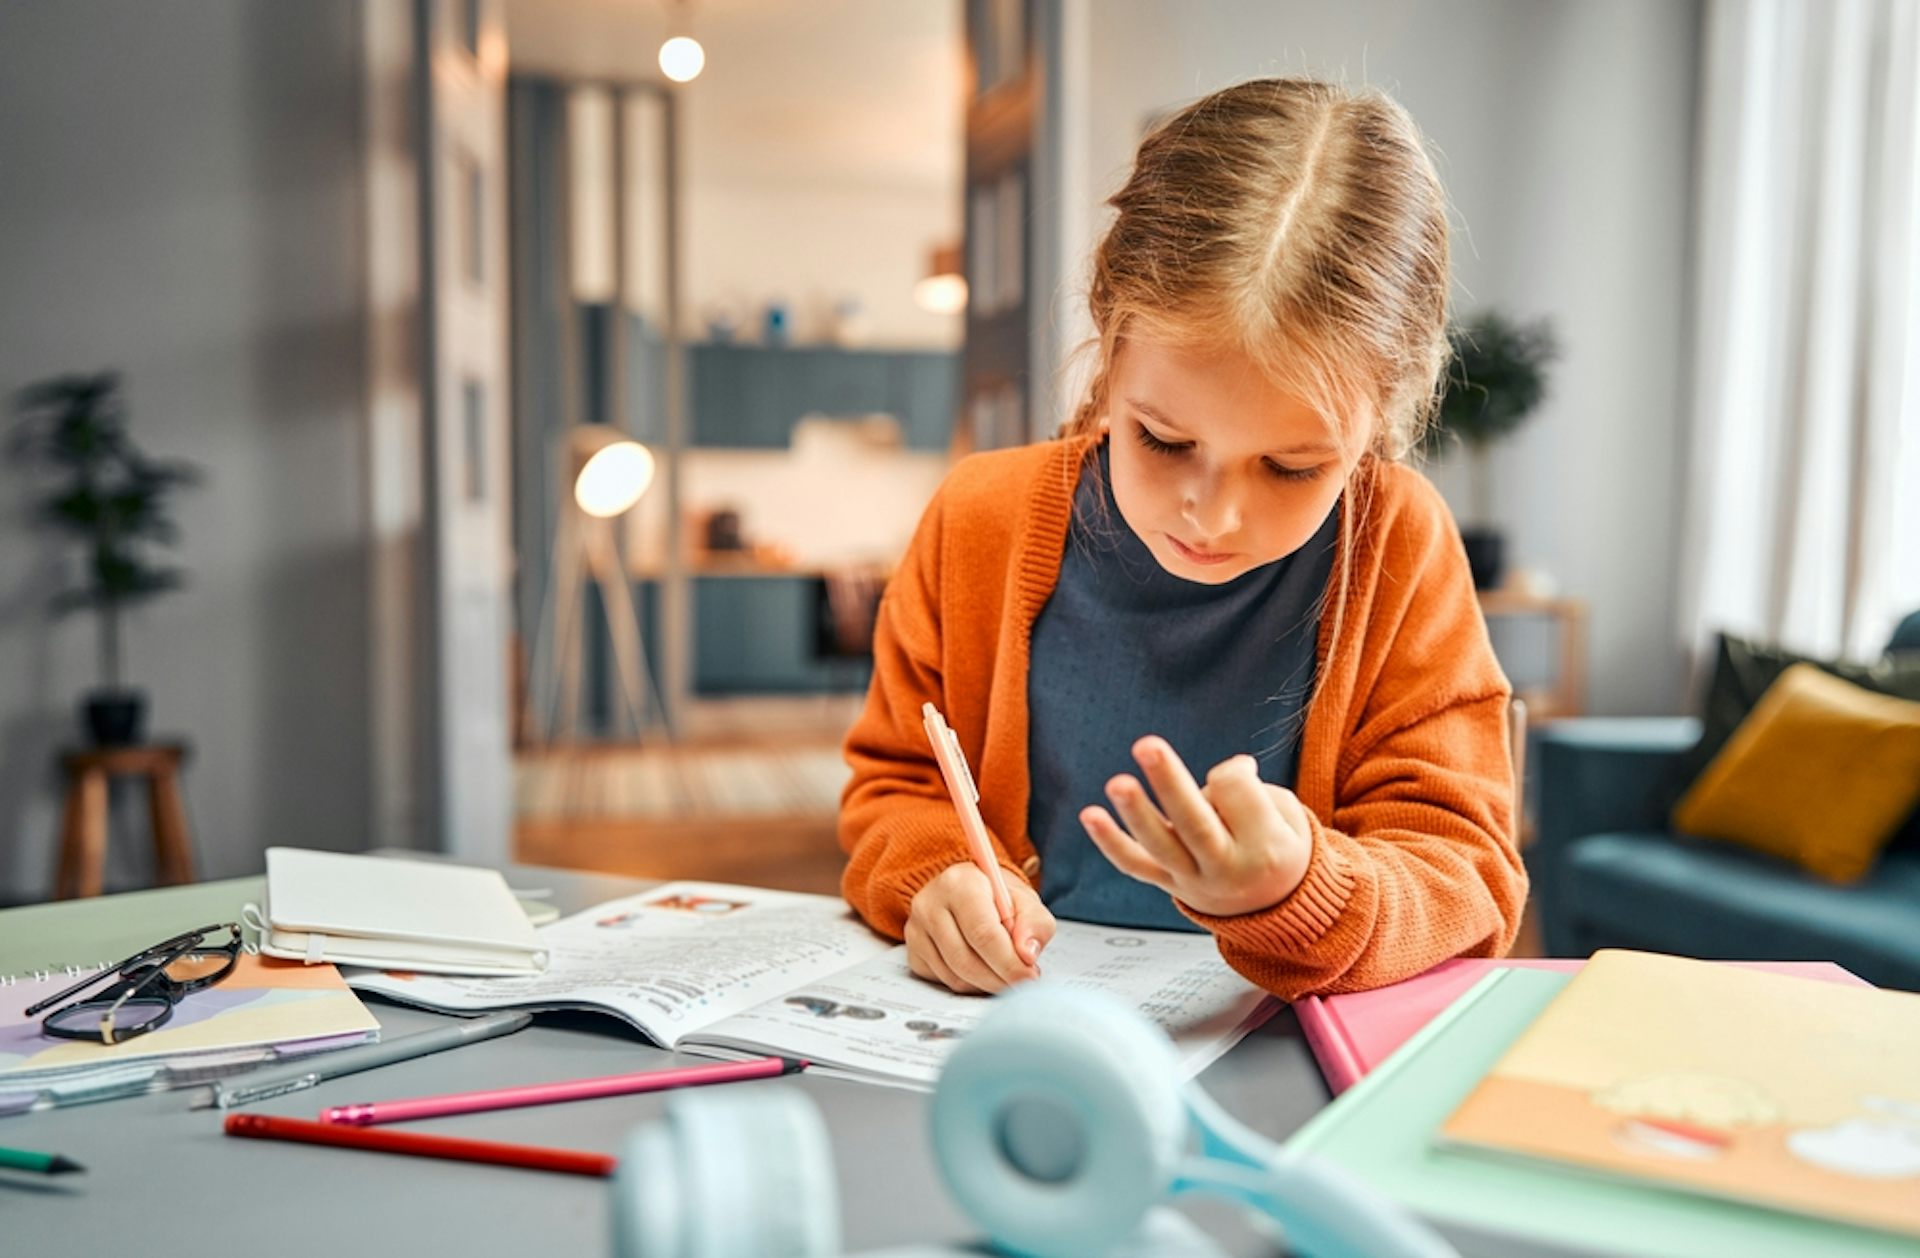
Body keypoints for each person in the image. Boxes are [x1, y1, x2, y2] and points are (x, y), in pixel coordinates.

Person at [838, 78, 1527, 1000]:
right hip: (1015, 1035)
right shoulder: (979, 521)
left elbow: (1466, 871)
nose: (1214, 515)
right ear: (1109, 349)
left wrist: (1304, 892)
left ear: (1378, 426)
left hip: (1284, 1060)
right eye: (1163, 441)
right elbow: (895, 785)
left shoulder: (1398, 549)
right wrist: (937, 881)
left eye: (1292, 468)